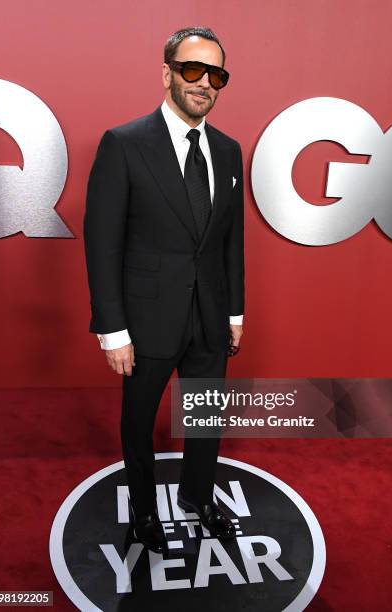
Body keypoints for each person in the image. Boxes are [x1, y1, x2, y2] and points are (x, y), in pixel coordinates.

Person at [83, 26, 244, 554]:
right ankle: (145, 512)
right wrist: (112, 329)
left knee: (204, 416)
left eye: (215, 74)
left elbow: (229, 242)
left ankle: (199, 496)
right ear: (167, 73)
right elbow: (102, 242)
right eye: (192, 69)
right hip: (145, 319)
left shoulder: (227, 150)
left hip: (210, 316)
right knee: (139, 422)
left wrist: (235, 312)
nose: (204, 83)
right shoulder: (124, 144)